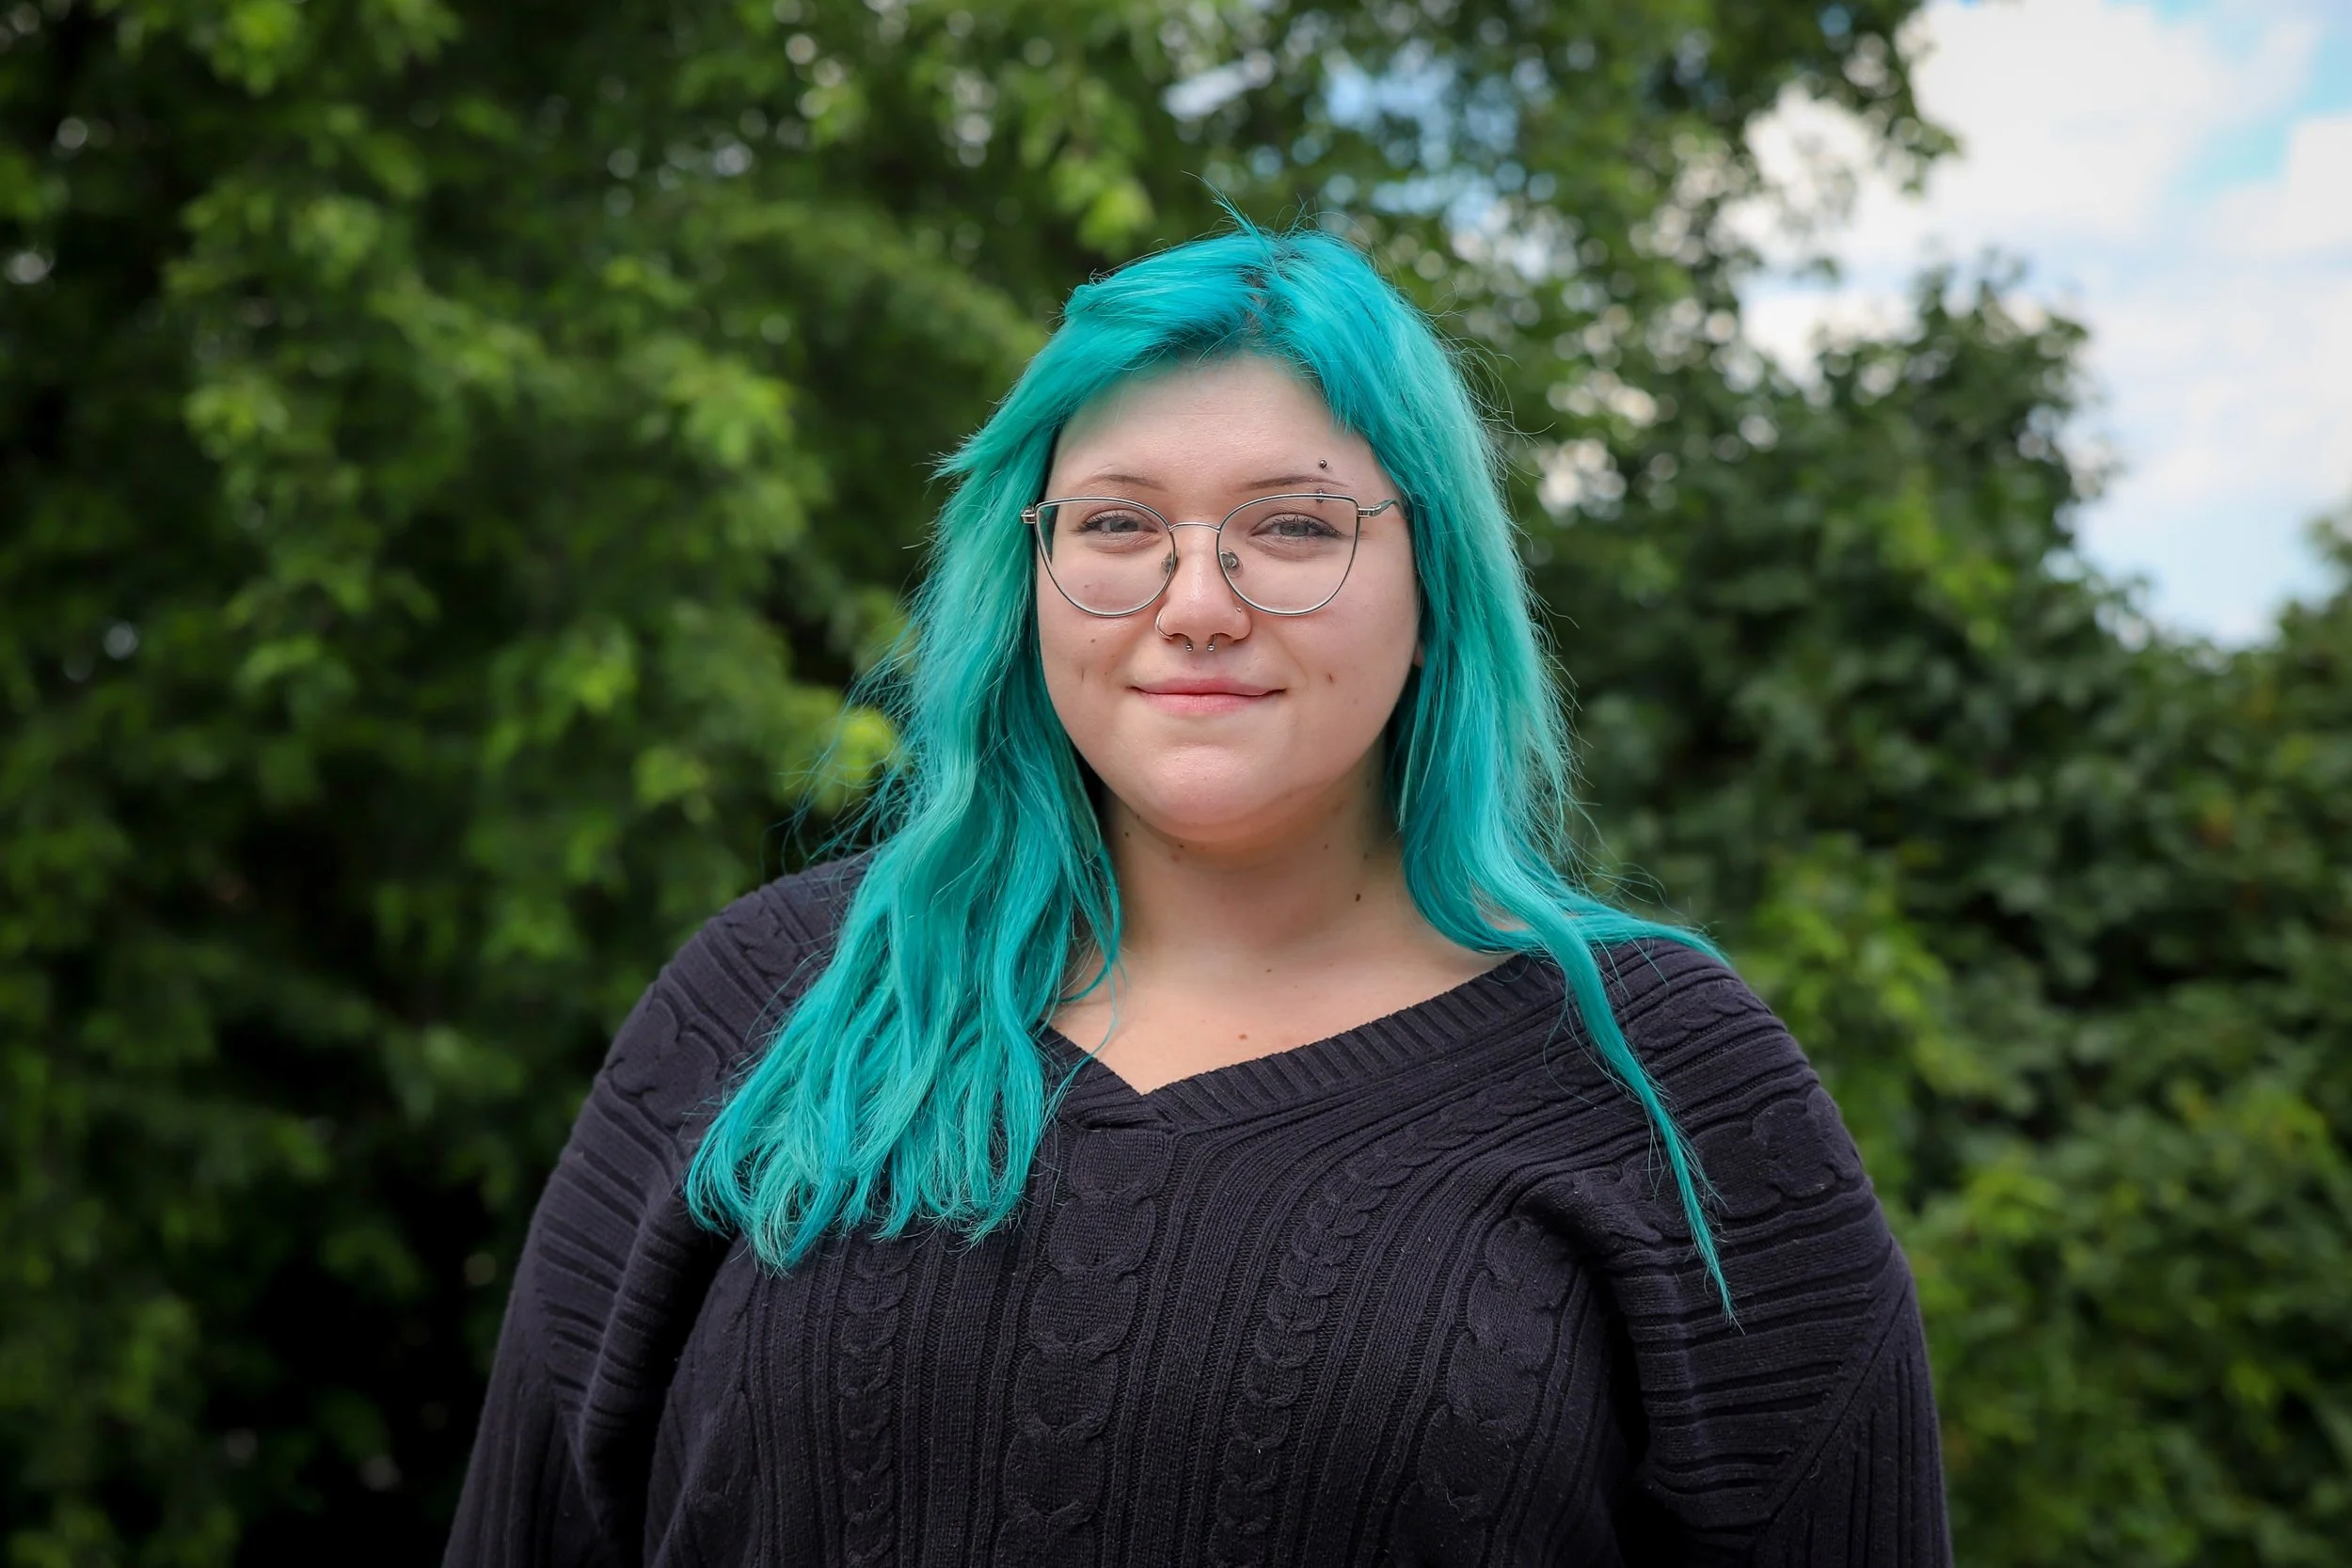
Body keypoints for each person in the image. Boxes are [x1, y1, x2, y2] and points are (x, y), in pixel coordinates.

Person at [447, 224, 1950, 1566]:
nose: (1197, 603)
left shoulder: (1670, 1088)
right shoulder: (763, 1006)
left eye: (1292, 526)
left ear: (1434, 587)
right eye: (1116, 525)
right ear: (1027, 577)